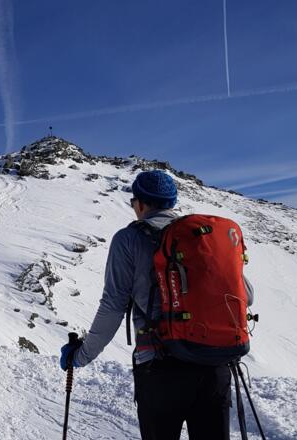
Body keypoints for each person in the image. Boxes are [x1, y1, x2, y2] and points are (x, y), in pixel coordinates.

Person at [59, 169, 254, 440]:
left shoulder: (129, 239)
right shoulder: (201, 237)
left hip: (160, 370)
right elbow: (246, 295)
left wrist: (80, 356)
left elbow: (113, 306)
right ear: (171, 202)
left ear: (140, 203)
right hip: (215, 366)